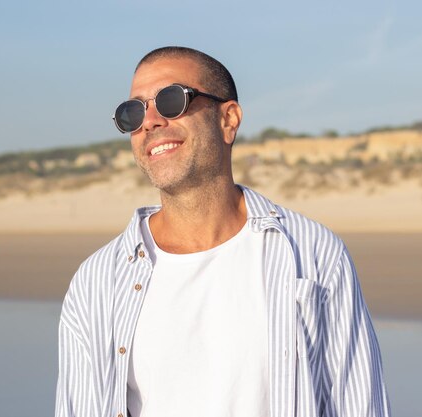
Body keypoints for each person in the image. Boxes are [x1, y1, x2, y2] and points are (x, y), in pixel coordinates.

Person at [55, 46, 391, 417]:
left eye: (171, 100)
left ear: (228, 120)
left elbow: (359, 405)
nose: (149, 122)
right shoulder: (98, 281)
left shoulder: (311, 252)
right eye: (133, 111)